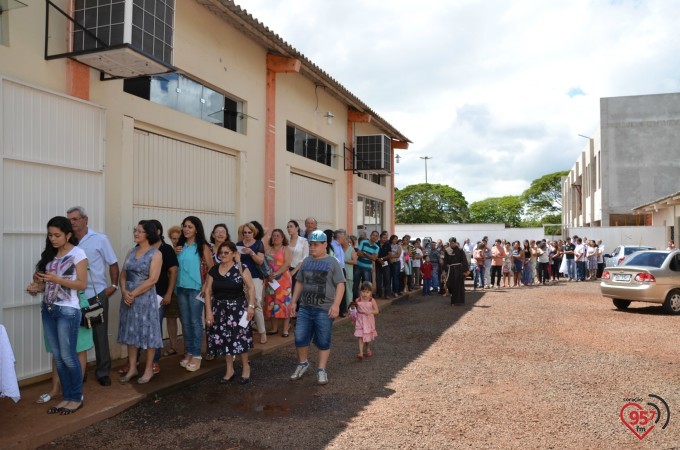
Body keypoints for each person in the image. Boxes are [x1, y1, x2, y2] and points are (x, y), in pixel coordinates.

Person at [27, 216, 87, 414]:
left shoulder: (78, 254)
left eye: (57, 235)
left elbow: (81, 285)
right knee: (59, 357)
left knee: (69, 357)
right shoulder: (50, 256)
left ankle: (76, 397)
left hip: (68, 311)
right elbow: (47, 285)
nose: (53, 238)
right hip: (49, 309)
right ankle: (67, 397)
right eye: (50, 235)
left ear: (68, 234)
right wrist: (37, 287)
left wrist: (57, 279)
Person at [66, 206, 119, 387]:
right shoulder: (67, 241)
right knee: (76, 335)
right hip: (72, 296)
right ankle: (79, 372)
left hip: (94, 296)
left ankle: (103, 372)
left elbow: (113, 263)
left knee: (99, 335)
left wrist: (113, 286)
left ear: (85, 220)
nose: (72, 222)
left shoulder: (100, 239)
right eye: (70, 220)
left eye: (75, 219)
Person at [288, 230, 345, 385]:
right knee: (300, 337)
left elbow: (340, 284)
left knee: (323, 340)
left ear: (325, 245)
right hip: (305, 308)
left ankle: (321, 370)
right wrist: (293, 301)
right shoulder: (306, 261)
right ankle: (303, 363)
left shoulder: (333, 262)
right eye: (310, 244)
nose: (312, 248)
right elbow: (299, 282)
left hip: (324, 309)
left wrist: (336, 304)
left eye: (315, 245)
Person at [118, 221, 163, 384]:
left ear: (149, 234)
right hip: (128, 297)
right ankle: (132, 367)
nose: (136, 234)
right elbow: (123, 274)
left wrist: (133, 294)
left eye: (140, 231)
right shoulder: (131, 251)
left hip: (145, 298)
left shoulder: (156, 254)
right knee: (131, 333)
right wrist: (124, 291)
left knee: (148, 332)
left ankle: (148, 369)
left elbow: (152, 280)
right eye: (135, 231)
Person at [204, 241, 255, 384]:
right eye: (221, 253)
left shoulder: (241, 268)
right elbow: (207, 291)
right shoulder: (213, 270)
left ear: (234, 254)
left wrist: (250, 306)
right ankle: (229, 369)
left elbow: (251, 288)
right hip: (219, 309)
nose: (223, 255)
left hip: (238, 309)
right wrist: (209, 312)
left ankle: (246, 367)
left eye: (226, 252)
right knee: (224, 339)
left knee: (240, 339)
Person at [175, 216, 213, 372]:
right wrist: (175, 251)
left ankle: (197, 355)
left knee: (195, 321)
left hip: (196, 289)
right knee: (185, 322)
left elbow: (211, 268)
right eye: (184, 226)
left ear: (197, 228)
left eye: (190, 226)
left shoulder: (203, 246)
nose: (186, 229)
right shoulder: (180, 246)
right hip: (181, 288)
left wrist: (206, 286)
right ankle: (189, 352)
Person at [149, 220, 178, 373]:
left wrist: (168, 293)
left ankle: (154, 360)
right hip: (142, 295)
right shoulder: (140, 248)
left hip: (159, 295)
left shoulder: (166, 249)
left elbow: (173, 271)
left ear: (158, 232)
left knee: (155, 327)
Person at [237, 222, 268, 344]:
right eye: (245, 232)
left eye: (249, 232)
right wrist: (238, 257)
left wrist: (251, 253)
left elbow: (260, 261)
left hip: (255, 277)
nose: (247, 234)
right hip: (242, 276)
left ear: (253, 232)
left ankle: (262, 332)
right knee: (243, 305)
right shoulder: (238, 245)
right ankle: (244, 330)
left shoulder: (258, 244)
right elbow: (236, 263)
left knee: (256, 303)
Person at [264, 229, 293, 337]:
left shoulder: (286, 249)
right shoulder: (268, 249)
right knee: (271, 302)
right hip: (270, 280)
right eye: (274, 235)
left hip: (283, 280)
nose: (275, 237)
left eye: (278, 236)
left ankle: (285, 329)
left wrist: (275, 274)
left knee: (284, 302)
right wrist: (268, 275)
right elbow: (264, 263)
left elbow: (287, 264)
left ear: (282, 238)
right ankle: (274, 328)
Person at [162, 225, 183, 356]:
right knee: (170, 318)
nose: (175, 241)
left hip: (183, 289)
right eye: (173, 238)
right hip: (171, 289)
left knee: (185, 320)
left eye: (178, 238)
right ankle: (173, 346)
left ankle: (188, 348)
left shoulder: (187, 250)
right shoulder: (169, 251)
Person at [354, 282, 379, 360]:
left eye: (367, 292)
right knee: (360, 335)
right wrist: (352, 313)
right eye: (363, 291)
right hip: (360, 320)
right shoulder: (357, 300)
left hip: (368, 320)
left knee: (367, 335)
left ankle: (367, 348)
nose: (365, 294)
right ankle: (361, 352)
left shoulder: (372, 300)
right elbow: (354, 309)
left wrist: (371, 312)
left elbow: (377, 311)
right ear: (360, 291)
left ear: (370, 293)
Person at [443, 238, 469, 305]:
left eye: (453, 243)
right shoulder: (447, 250)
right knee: (449, 284)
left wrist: (466, 270)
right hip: (451, 270)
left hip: (458, 270)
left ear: (455, 242)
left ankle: (457, 301)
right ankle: (451, 295)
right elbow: (445, 261)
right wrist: (444, 269)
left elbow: (464, 260)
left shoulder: (460, 250)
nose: (452, 244)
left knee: (458, 285)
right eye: (451, 243)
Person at [355, 230, 379, 299]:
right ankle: (356, 300)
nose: (374, 237)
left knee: (366, 286)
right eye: (373, 235)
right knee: (355, 285)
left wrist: (365, 253)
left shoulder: (377, 247)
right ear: (370, 235)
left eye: (376, 236)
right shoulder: (363, 242)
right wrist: (370, 256)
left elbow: (374, 258)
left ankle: (365, 300)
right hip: (358, 266)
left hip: (367, 268)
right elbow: (358, 253)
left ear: (377, 238)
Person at [287, 220, 309, 295]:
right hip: (286, 270)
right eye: (288, 227)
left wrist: (295, 270)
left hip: (299, 270)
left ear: (297, 228)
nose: (289, 229)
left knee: (296, 293)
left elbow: (305, 257)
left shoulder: (303, 241)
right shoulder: (286, 241)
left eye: (291, 226)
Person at [330, 229, 348, 316]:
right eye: (344, 236)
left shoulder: (340, 245)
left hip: (342, 269)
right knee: (336, 290)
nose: (345, 238)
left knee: (342, 290)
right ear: (339, 236)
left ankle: (342, 310)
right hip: (336, 270)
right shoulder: (332, 245)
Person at [375, 232, 392, 298]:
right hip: (377, 264)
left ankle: (387, 294)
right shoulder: (376, 244)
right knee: (378, 279)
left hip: (386, 264)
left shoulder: (388, 245)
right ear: (380, 238)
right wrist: (378, 259)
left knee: (387, 278)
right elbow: (373, 253)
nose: (385, 239)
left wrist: (382, 259)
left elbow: (389, 255)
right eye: (384, 238)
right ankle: (379, 294)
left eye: (386, 238)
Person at [344, 235, 358, 308]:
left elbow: (355, 262)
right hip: (340, 273)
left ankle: (349, 307)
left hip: (349, 273)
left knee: (349, 291)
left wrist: (344, 261)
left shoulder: (351, 250)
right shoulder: (339, 249)